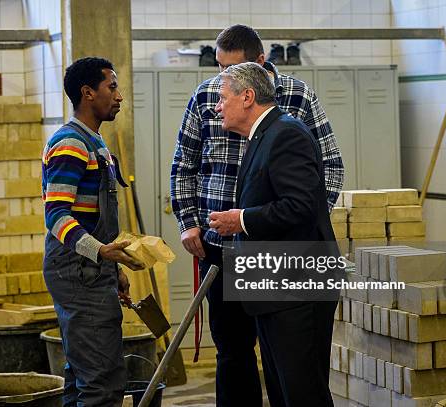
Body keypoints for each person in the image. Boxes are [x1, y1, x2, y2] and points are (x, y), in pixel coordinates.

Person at [170, 24, 344, 406]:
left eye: (231, 74)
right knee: (237, 349)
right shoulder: (209, 100)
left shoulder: (293, 107)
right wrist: (189, 224)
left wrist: (295, 230)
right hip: (224, 247)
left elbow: (326, 171)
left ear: (253, 83)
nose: (221, 85)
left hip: (279, 254)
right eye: (219, 68)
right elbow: (183, 165)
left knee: (291, 365)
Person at [209, 62, 338, 406]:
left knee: (303, 394)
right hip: (273, 287)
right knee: (283, 393)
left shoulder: (286, 133)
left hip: (297, 290)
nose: (216, 106)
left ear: (247, 96)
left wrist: (241, 220)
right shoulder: (264, 135)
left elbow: (301, 205)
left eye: (222, 98)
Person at [41, 57, 144, 407]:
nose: (119, 95)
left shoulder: (95, 143)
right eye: (111, 86)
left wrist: (111, 270)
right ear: (88, 93)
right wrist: (100, 253)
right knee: (101, 384)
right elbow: (55, 215)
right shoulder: (71, 143)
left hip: (93, 272)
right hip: (76, 272)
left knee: (83, 377)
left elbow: (93, 219)